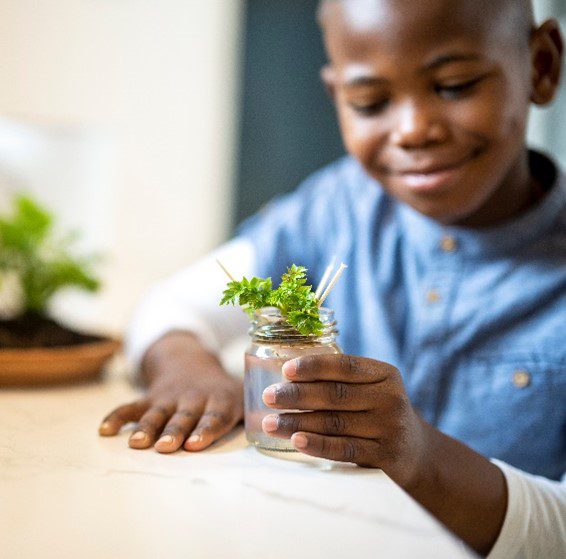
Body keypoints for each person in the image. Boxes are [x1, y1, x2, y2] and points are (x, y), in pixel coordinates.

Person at [98, 0, 566, 557]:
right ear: (337, 94)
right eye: (370, 102)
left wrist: (419, 456)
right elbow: (170, 306)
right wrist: (188, 371)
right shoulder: (336, 209)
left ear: (540, 67)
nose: (414, 130)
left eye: (455, 85)